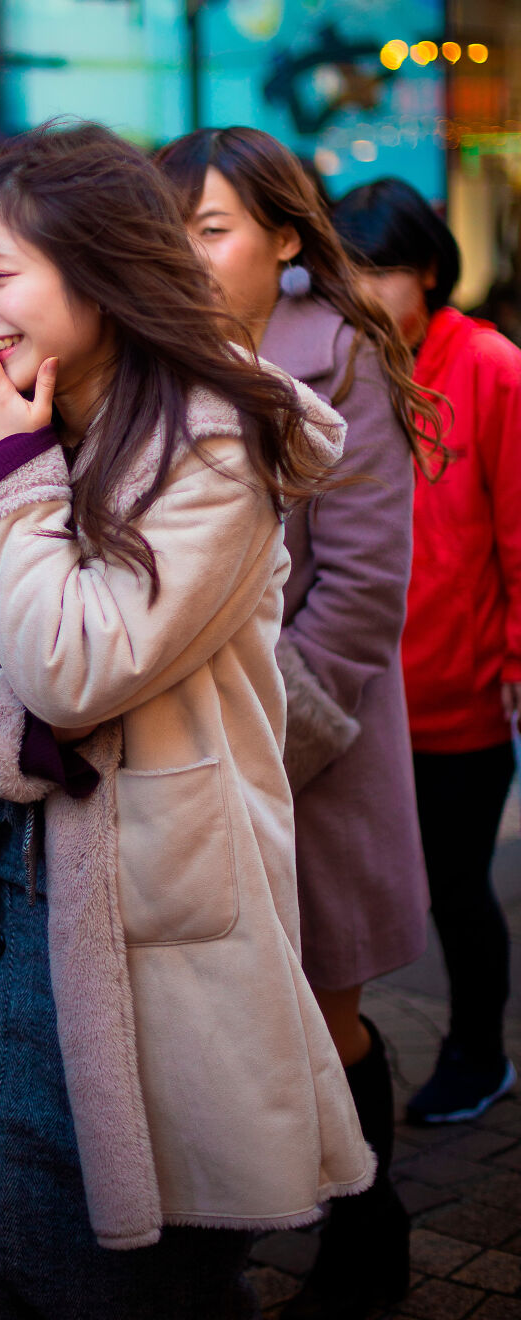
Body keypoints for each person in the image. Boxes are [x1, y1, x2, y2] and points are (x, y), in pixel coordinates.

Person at [0, 121, 374, 1319]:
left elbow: (77, 666)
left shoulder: (216, 441)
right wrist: (4, 738)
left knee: (130, 1276)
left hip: (151, 926)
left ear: (95, 268)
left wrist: (16, 476)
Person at [156, 127, 446, 1319]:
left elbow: (364, 592)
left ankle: (367, 1233)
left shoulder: (341, 364)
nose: (185, 252)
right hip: (169, 758)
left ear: (284, 241)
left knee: (325, 1015)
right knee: (210, 1022)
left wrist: (258, 734)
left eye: (212, 228)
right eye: (167, 228)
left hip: (303, 755)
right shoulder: (145, 357)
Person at [333, 178, 521, 1127]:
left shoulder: (489, 366)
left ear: (431, 273)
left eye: (382, 270)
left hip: (457, 696)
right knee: (350, 893)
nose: (361, 292)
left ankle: (480, 1052)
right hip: (357, 700)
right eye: (347, 269)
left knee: (456, 887)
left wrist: (516, 666)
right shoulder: (336, 366)